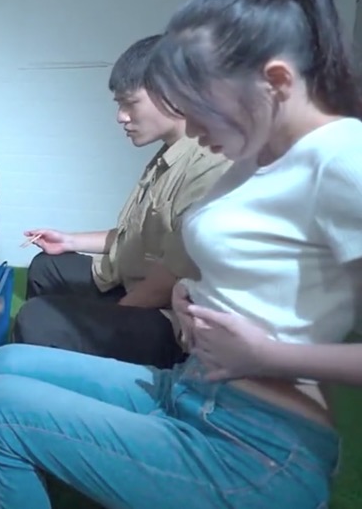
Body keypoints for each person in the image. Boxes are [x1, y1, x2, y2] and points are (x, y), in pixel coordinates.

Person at [0, 0, 362, 508]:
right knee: (4, 364)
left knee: (0, 410)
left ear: (276, 82)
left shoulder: (351, 160)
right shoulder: (256, 156)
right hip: (191, 392)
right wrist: (188, 291)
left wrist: (271, 356)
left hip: (255, 447)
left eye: (199, 104)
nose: (191, 126)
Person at [13, 35, 231, 369]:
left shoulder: (210, 165)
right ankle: (54, 362)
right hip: (129, 279)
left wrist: (103, 322)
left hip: (168, 320)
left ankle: (66, 372)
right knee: (47, 267)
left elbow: (167, 281)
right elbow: (136, 235)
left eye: (130, 103)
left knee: (37, 318)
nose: (121, 117)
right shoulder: (169, 154)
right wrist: (69, 240)